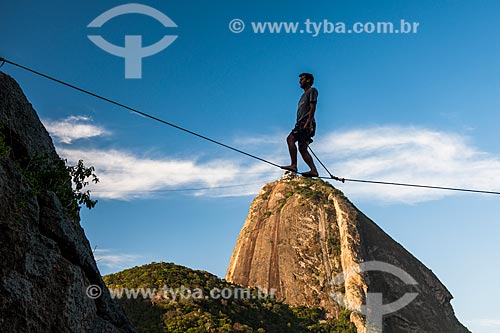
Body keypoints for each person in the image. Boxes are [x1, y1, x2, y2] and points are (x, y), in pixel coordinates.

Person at [281, 73, 319, 177]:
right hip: (302, 123)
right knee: (302, 148)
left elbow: (313, 107)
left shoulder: (312, 91)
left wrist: (308, 122)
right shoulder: (302, 96)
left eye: (302, 79)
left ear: (308, 80)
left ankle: (294, 165)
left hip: (306, 122)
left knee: (290, 139)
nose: (300, 81)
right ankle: (313, 170)